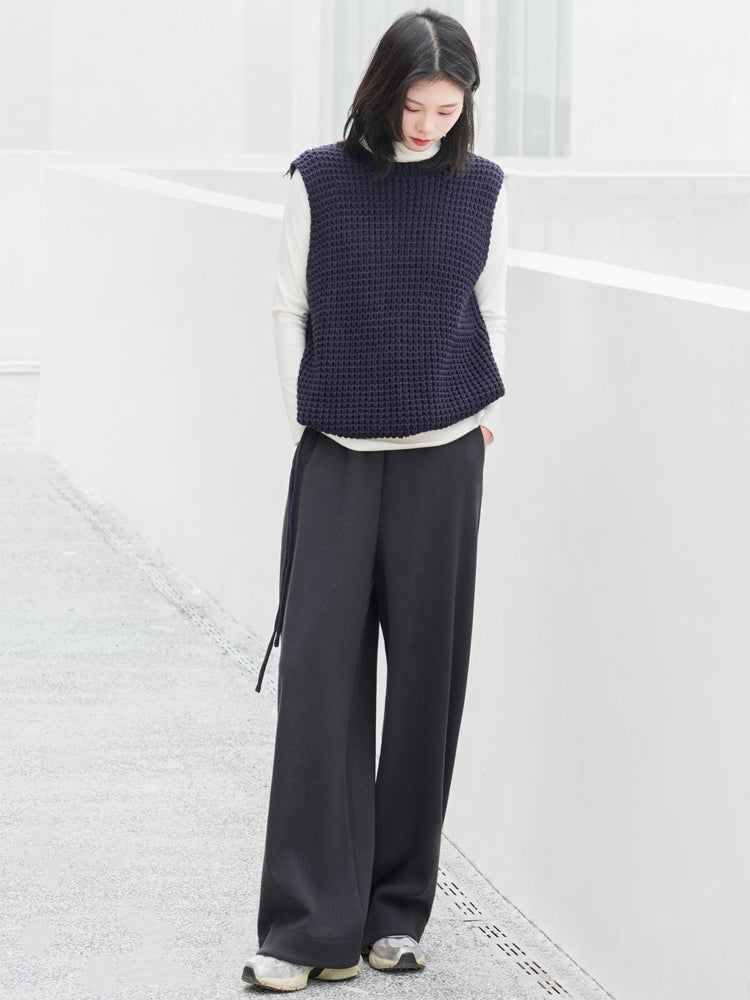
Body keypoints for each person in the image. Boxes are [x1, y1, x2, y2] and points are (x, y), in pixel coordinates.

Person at [241, 7, 507, 993]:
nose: (431, 125)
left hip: (445, 457)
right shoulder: (321, 180)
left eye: (449, 110)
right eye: (416, 106)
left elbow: (491, 304)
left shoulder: (482, 188)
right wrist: (306, 415)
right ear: (381, 92)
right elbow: (288, 306)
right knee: (320, 684)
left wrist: (488, 409)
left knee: (429, 684)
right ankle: (310, 928)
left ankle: (396, 912)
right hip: (340, 455)